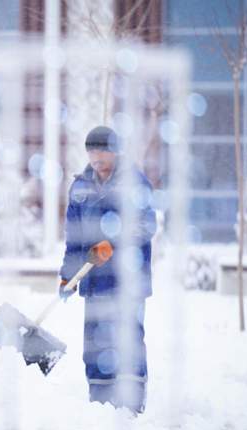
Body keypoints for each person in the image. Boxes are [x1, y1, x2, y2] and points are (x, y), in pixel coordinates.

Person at [59, 126, 156, 414]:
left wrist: (113, 242)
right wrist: (68, 274)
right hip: (94, 283)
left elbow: (147, 225)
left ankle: (131, 403)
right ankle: (100, 403)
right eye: (91, 151)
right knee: (96, 342)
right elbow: (74, 238)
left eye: (102, 150)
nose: (96, 156)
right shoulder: (80, 188)